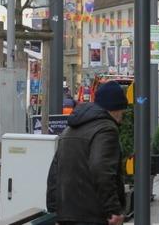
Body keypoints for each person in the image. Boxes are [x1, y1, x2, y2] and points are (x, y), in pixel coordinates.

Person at [46, 81, 127, 225]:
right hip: (93, 215)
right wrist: (113, 210)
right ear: (116, 108)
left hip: (66, 214)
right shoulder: (106, 129)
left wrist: (54, 210)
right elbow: (101, 169)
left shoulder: (69, 129)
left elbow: (54, 172)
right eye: (123, 109)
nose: (123, 114)